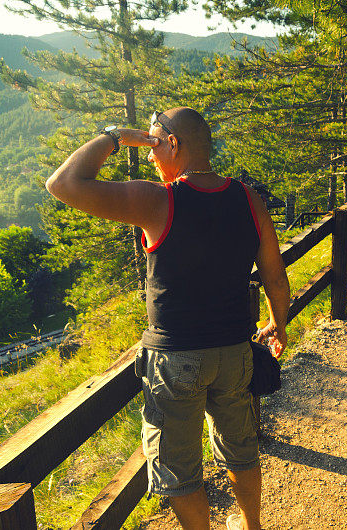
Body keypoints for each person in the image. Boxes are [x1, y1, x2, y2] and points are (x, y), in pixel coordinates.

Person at [45, 107, 290, 530]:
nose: (152, 154)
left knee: (177, 471)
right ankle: (252, 526)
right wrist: (279, 325)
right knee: (241, 450)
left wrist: (115, 137)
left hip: (175, 358)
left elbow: (62, 184)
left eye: (155, 142)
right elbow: (275, 276)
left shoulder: (159, 200)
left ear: (173, 143)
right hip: (234, 353)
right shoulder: (248, 198)